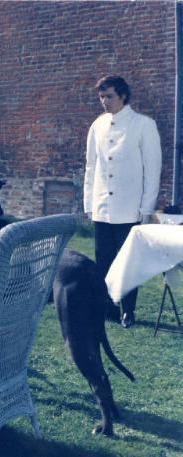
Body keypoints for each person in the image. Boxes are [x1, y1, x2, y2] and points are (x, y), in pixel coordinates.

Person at [84, 75, 162, 328]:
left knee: (128, 260)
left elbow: (153, 170)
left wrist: (146, 208)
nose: (104, 101)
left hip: (129, 209)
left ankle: (128, 310)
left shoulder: (143, 125)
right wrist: (89, 203)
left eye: (109, 96)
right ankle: (107, 306)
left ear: (123, 97)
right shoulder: (97, 124)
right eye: (101, 96)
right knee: (103, 259)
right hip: (102, 208)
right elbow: (91, 166)